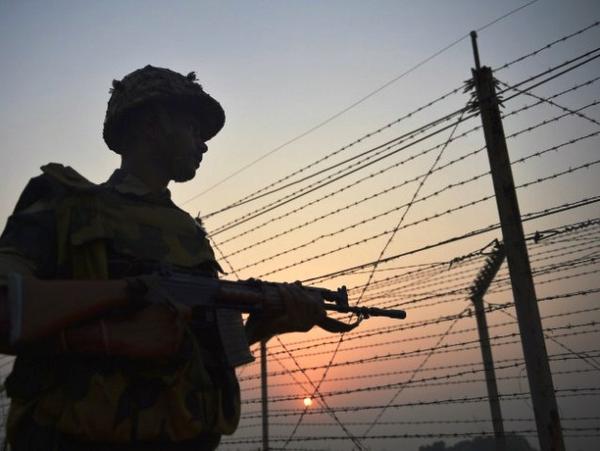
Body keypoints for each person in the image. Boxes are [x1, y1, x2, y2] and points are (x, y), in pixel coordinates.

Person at [0, 65, 326, 450]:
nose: (203, 144)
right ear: (151, 124)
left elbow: (197, 349)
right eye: (193, 128)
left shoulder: (188, 232)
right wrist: (118, 326)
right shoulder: (64, 205)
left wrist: (262, 327)